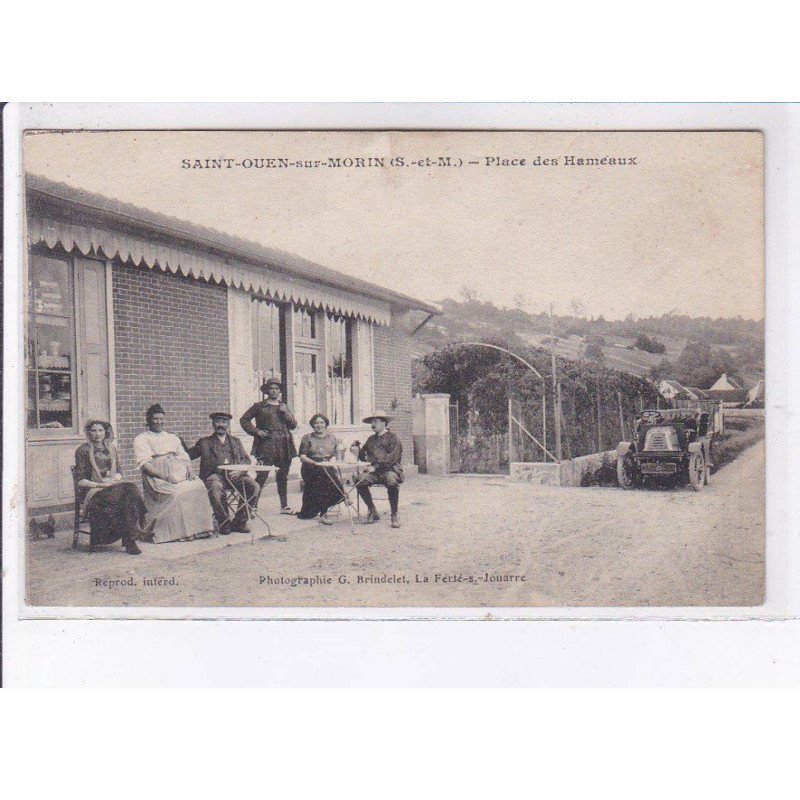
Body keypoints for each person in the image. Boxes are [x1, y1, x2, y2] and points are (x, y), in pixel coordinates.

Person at [133, 404, 215, 542]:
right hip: (157, 475)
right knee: (176, 493)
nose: (159, 422)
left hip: (178, 471)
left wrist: (188, 468)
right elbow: (144, 464)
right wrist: (164, 476)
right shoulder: (141, 438)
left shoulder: (171, 437)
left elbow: (183, 455)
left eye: (161, 418)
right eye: (155, 419)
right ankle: (173, 533)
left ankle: (198, 531)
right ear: (149, 420)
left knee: (198, 486)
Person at [74, 420, 152, 555]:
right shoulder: (83, 450)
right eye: (94, 430)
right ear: (88, 433)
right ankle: (136, 532)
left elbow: (119, 472)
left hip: (112, 489)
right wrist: (101, 484)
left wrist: (113, 479)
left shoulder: (111, 448)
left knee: (130, 490)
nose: (97, 434)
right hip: (94, 491)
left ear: (106, 432)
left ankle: (131, 540)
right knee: (129, 493)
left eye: (100, 430)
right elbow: (80, 481)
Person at [184, 412, 259, 535]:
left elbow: (246, 460)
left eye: (224, 422)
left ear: (228, 425)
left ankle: (240, 521)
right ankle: (224, 522)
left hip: (235, 477)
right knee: (215, 487)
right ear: (213, 424)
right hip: (215, 476)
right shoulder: (205, 442)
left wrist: (240, 470)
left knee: (254, 487)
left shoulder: (236, 441)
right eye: (218, 422)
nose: (221, 425)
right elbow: (187, 456)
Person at [239, 378, 298, 514]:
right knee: (261, 475)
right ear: (267, 391)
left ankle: (284, 506)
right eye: (271, 388)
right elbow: (244, 420)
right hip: (266, 445)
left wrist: (286, 412)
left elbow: (293, 425)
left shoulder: (284, 406)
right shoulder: (259, 406)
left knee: (282, 476)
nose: (274, 391)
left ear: (280, 391)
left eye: (277, 388)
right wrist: (256, 431)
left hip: (284, 445)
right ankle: (253, 506)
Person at [356, 410, 404, 529]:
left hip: (391, 470)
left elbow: (392, 458)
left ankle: (394, 514)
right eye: (372, 422)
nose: (373, 424)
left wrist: (374, 467)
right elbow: (362, 456)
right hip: (374, 472)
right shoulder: (371, 439)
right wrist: (356, 449)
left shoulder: (393, 438)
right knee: (359, 480)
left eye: (376, 421)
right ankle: (372, 511)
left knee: (391, 480)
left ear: (384, 422)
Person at [296, 414, 346, 524]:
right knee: (324, 476)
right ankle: (342, 495)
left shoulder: (332, 438)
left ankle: (326, 510)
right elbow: (302, 457)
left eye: (322, 422)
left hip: (327, 467)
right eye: (316, 423)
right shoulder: (307, 438)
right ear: (313, 425)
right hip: (310, 467)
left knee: (326, 474)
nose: (319, 425)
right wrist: (315, 463)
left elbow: (340, 451)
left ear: (326, 424)